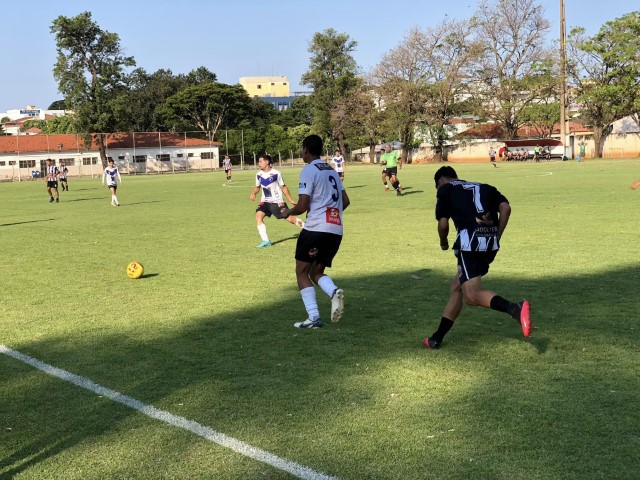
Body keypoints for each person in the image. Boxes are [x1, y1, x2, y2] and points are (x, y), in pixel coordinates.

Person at [423, 166, 531, 349]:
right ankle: (436, 338)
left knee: (471, 296)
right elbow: (506, 208)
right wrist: (497, 236)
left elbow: (443, 225)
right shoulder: (485, 187)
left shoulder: (445, 190)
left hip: (470, 245)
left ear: (440, 182)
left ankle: (515, 308)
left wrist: (443, 242)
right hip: (489, 244)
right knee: (457, 286)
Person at [281, 134, 350, 329]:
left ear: (305, 149)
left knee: (301, 272)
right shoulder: (332, 170)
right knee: (315, 271)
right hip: (335, 230)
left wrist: (287, 212)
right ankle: (333, 291)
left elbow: (302, 205)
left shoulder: (309, 170)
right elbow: (345, 201)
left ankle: (314, 318)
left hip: (315, 229)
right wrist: (329, 214)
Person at [249, 154, 304, 248]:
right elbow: (257, 187)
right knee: (258, 216)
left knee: (290, 219)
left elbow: (283, 187)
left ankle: (308, 228)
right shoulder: (258, 174)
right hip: (265, 202)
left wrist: (290, 200)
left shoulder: (276, 173)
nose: (259, 164)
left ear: (267, 162)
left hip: (277, 202)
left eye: (260, 161)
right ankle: (266, 241)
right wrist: (253, 193)